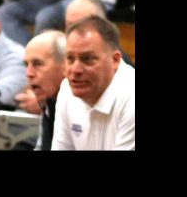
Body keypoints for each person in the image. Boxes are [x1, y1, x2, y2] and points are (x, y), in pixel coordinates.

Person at [52, 15, 135, 150]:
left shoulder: (131, 96)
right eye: (70, 59)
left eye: (87, 59)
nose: (75, 70)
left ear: (115, 60)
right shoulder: (67, 88)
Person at [14, 30, 67, 150]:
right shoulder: (49, 102)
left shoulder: (79, 106)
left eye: (37, 64)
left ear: (65, 65)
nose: (28, 73)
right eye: (26, 65)